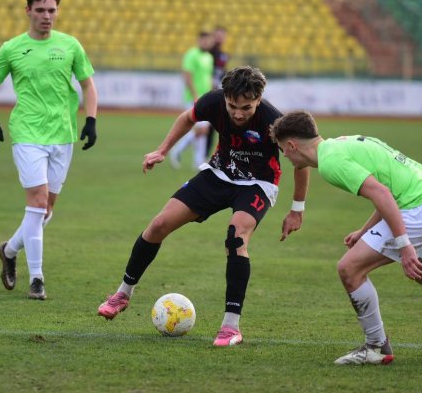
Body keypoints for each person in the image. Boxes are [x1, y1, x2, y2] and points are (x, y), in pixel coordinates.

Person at [270, 110, 422, 364]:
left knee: (349, 268)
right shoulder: (341, 144)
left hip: (420, 208)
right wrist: (364, 231)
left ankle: (376, 346)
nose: (285, 156)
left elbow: (382, 194)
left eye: (283, 150)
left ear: (292, 145)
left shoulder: (330, 163)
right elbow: (387, 191)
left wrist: (405, 246)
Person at [97, 66, 310, 347]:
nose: (238, 114)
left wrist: (296, 209)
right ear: (225, 98)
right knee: (159, 224)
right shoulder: (213, 101)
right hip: (218, 174)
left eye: (246, 108)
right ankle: (123, 294)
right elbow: (187, 117)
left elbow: (301, 162)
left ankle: (230, 327)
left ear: (259, 99)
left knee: (236, 238)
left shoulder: (274, 122)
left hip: (257, 184)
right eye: (232, 106)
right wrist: (162, 150)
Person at [0, 0, 98, 301]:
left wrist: (91, 120)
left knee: (46, 210)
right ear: (28, 11)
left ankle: (9, 250)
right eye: (40, 10)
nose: (47, 16)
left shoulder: (70, 45)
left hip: (63, 134)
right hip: (27, 133)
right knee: (36, 203)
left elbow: (88, 85)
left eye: (52, 10)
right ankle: (37, 279)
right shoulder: (12, 48)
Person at [169, 31, 214, 169]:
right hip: (194, 97)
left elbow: (208, 77)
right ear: (199, 40)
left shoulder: (209, 57)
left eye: (208, 40)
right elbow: (187, 75)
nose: (206, 42)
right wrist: (194, 94)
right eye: (204, 40)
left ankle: (198, 161)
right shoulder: (192, 54)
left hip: (206, 96)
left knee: (203, 130)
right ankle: (176, 150)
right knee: (202, 129)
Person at [205, 26, 229, 158]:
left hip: (218, 90)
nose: (220, 38)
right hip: (209, 90)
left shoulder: (223, 54)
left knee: (211, 125)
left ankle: (206, 155)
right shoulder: (209, 53)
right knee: (205, 125)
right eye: (218, 35)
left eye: (222, 35)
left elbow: (221, 72)